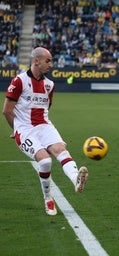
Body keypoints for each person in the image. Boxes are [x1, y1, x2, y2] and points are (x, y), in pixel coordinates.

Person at [2, 47, 89, 216]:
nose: (51, 64)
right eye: (48, 60)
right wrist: (17, 130)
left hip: (44, 125)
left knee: (61, 150)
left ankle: (76, 180)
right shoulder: (19, 81)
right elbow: (7, 111)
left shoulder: (50, 85)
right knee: (45, 161)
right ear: (36, 61)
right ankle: (48, 198)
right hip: (25, 129)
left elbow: (45, 108)